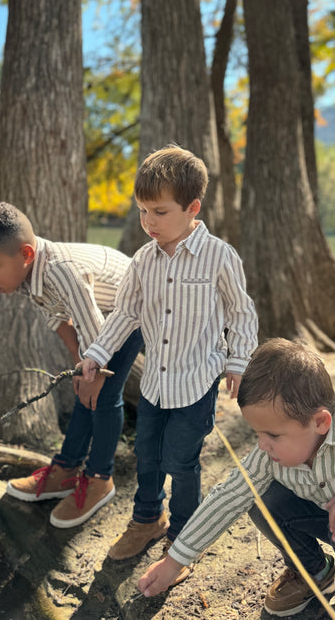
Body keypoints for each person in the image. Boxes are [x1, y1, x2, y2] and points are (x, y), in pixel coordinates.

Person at [137, 338, 335, 619]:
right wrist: (175, 561)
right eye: (258, 433)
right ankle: (313, 571)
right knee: (257, 493)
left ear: (320, 421)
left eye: (273, 434)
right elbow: (228, 495)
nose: (262, 445)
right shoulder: (273, 450)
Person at [79, 145, 258, 581]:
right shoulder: (143, 260)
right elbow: (125, 313)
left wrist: (238, 362)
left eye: (159, 211)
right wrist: (96, 353)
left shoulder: (219, 256)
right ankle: (147, 520)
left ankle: (182, 537)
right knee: (146, 455)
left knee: (181, 461)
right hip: (155, 386)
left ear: (192, 208)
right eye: (142, 211)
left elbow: (241, 313)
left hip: (196, 383)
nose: (148, 222)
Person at [0, 201, 143, 529]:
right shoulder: (25, 272)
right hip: (98, 321)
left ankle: (101, 479)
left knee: (103, 396)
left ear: (26, 254)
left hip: (131, 313)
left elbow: (97, 327)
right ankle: (65, 470)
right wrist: (78, 363)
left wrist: (95, 372)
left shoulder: (61, 269)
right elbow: (58, 317)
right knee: (84, 393)